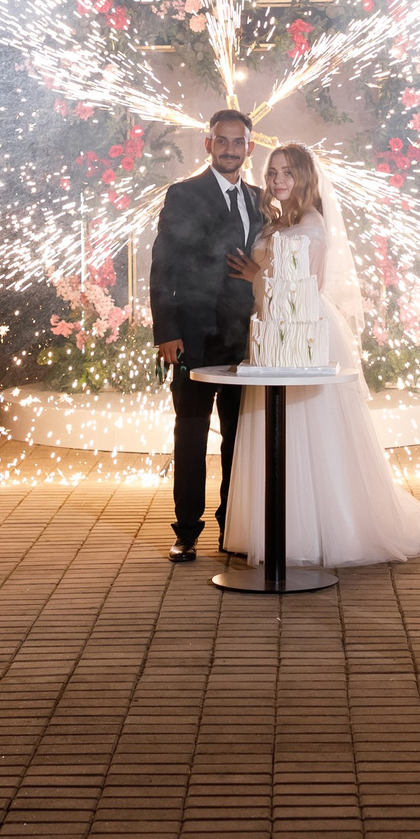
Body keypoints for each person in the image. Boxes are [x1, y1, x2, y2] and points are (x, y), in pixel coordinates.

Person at [222, 143, 420, 568]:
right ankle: (283, 528)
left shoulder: (311, 223)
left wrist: (257, 274)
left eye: (288, 172)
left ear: (306, 178)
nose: (278, 179)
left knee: (313, 427)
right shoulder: (276, 221)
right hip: (273, 332)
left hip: (306, 330)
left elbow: (307, 288)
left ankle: (326, 530)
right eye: (273, 171)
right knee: (277, 425)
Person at [148, 109, 263, 562]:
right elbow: (163, 265)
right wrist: (166, 330)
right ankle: (186, 531)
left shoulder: (258, 199)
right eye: (222, 140)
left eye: (239, 142)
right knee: (191, 434)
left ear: (249, 148)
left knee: (238, 436)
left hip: (242, 339)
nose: (230, 148)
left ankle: (229, 528)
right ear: (208, 144)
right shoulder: (184, 194)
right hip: (192, 337)